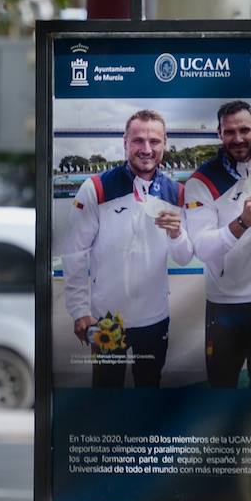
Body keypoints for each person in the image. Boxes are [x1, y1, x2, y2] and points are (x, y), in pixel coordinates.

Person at [61, 108, 192, 387]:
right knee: (106, 393)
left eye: (154, 141)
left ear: (165, 144)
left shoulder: (176, 192)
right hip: (107, 318)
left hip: (154, 319)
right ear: (125, 142)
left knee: (148, 388)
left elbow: (183, 257)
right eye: (138, 141)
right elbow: (74, 253)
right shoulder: (95, 187)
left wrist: (177, 232)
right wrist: (78, 309)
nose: (146, 149)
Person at [183, 100, 251, 388]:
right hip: (224, 306)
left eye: (244, 130)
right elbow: (202, 248)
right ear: (219, 133)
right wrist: (242, 223)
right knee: (222, 389)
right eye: (230, 132)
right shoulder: (201, 181)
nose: (238, 138)